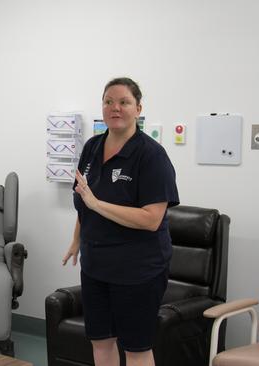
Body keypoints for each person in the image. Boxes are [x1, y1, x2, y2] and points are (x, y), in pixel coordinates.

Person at [62, 77, 179, 366]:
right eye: (108, 102)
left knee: (136, 348)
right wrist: (77, 239)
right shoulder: (91, 148)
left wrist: (97, 204)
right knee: (101, 343)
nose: (115, 108)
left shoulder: (152, 155)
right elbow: (83, 202)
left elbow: (152, 219)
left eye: (124, 102)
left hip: (138, 271)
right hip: (96, 267)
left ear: (138, 109)